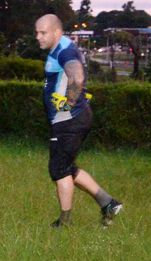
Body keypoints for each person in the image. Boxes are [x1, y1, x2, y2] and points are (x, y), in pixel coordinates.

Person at [35, 14, 123, 228]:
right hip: (69, 120)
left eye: (43, 32)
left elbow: (77, 77)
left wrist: (68, 104)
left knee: (59, 169)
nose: (38, 37)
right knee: (65, 166)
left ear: (56, 32)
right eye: (37, 32)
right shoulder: (60, 48)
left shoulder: (65, 51)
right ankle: (108, 203)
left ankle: (65, 221)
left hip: (69, 120)